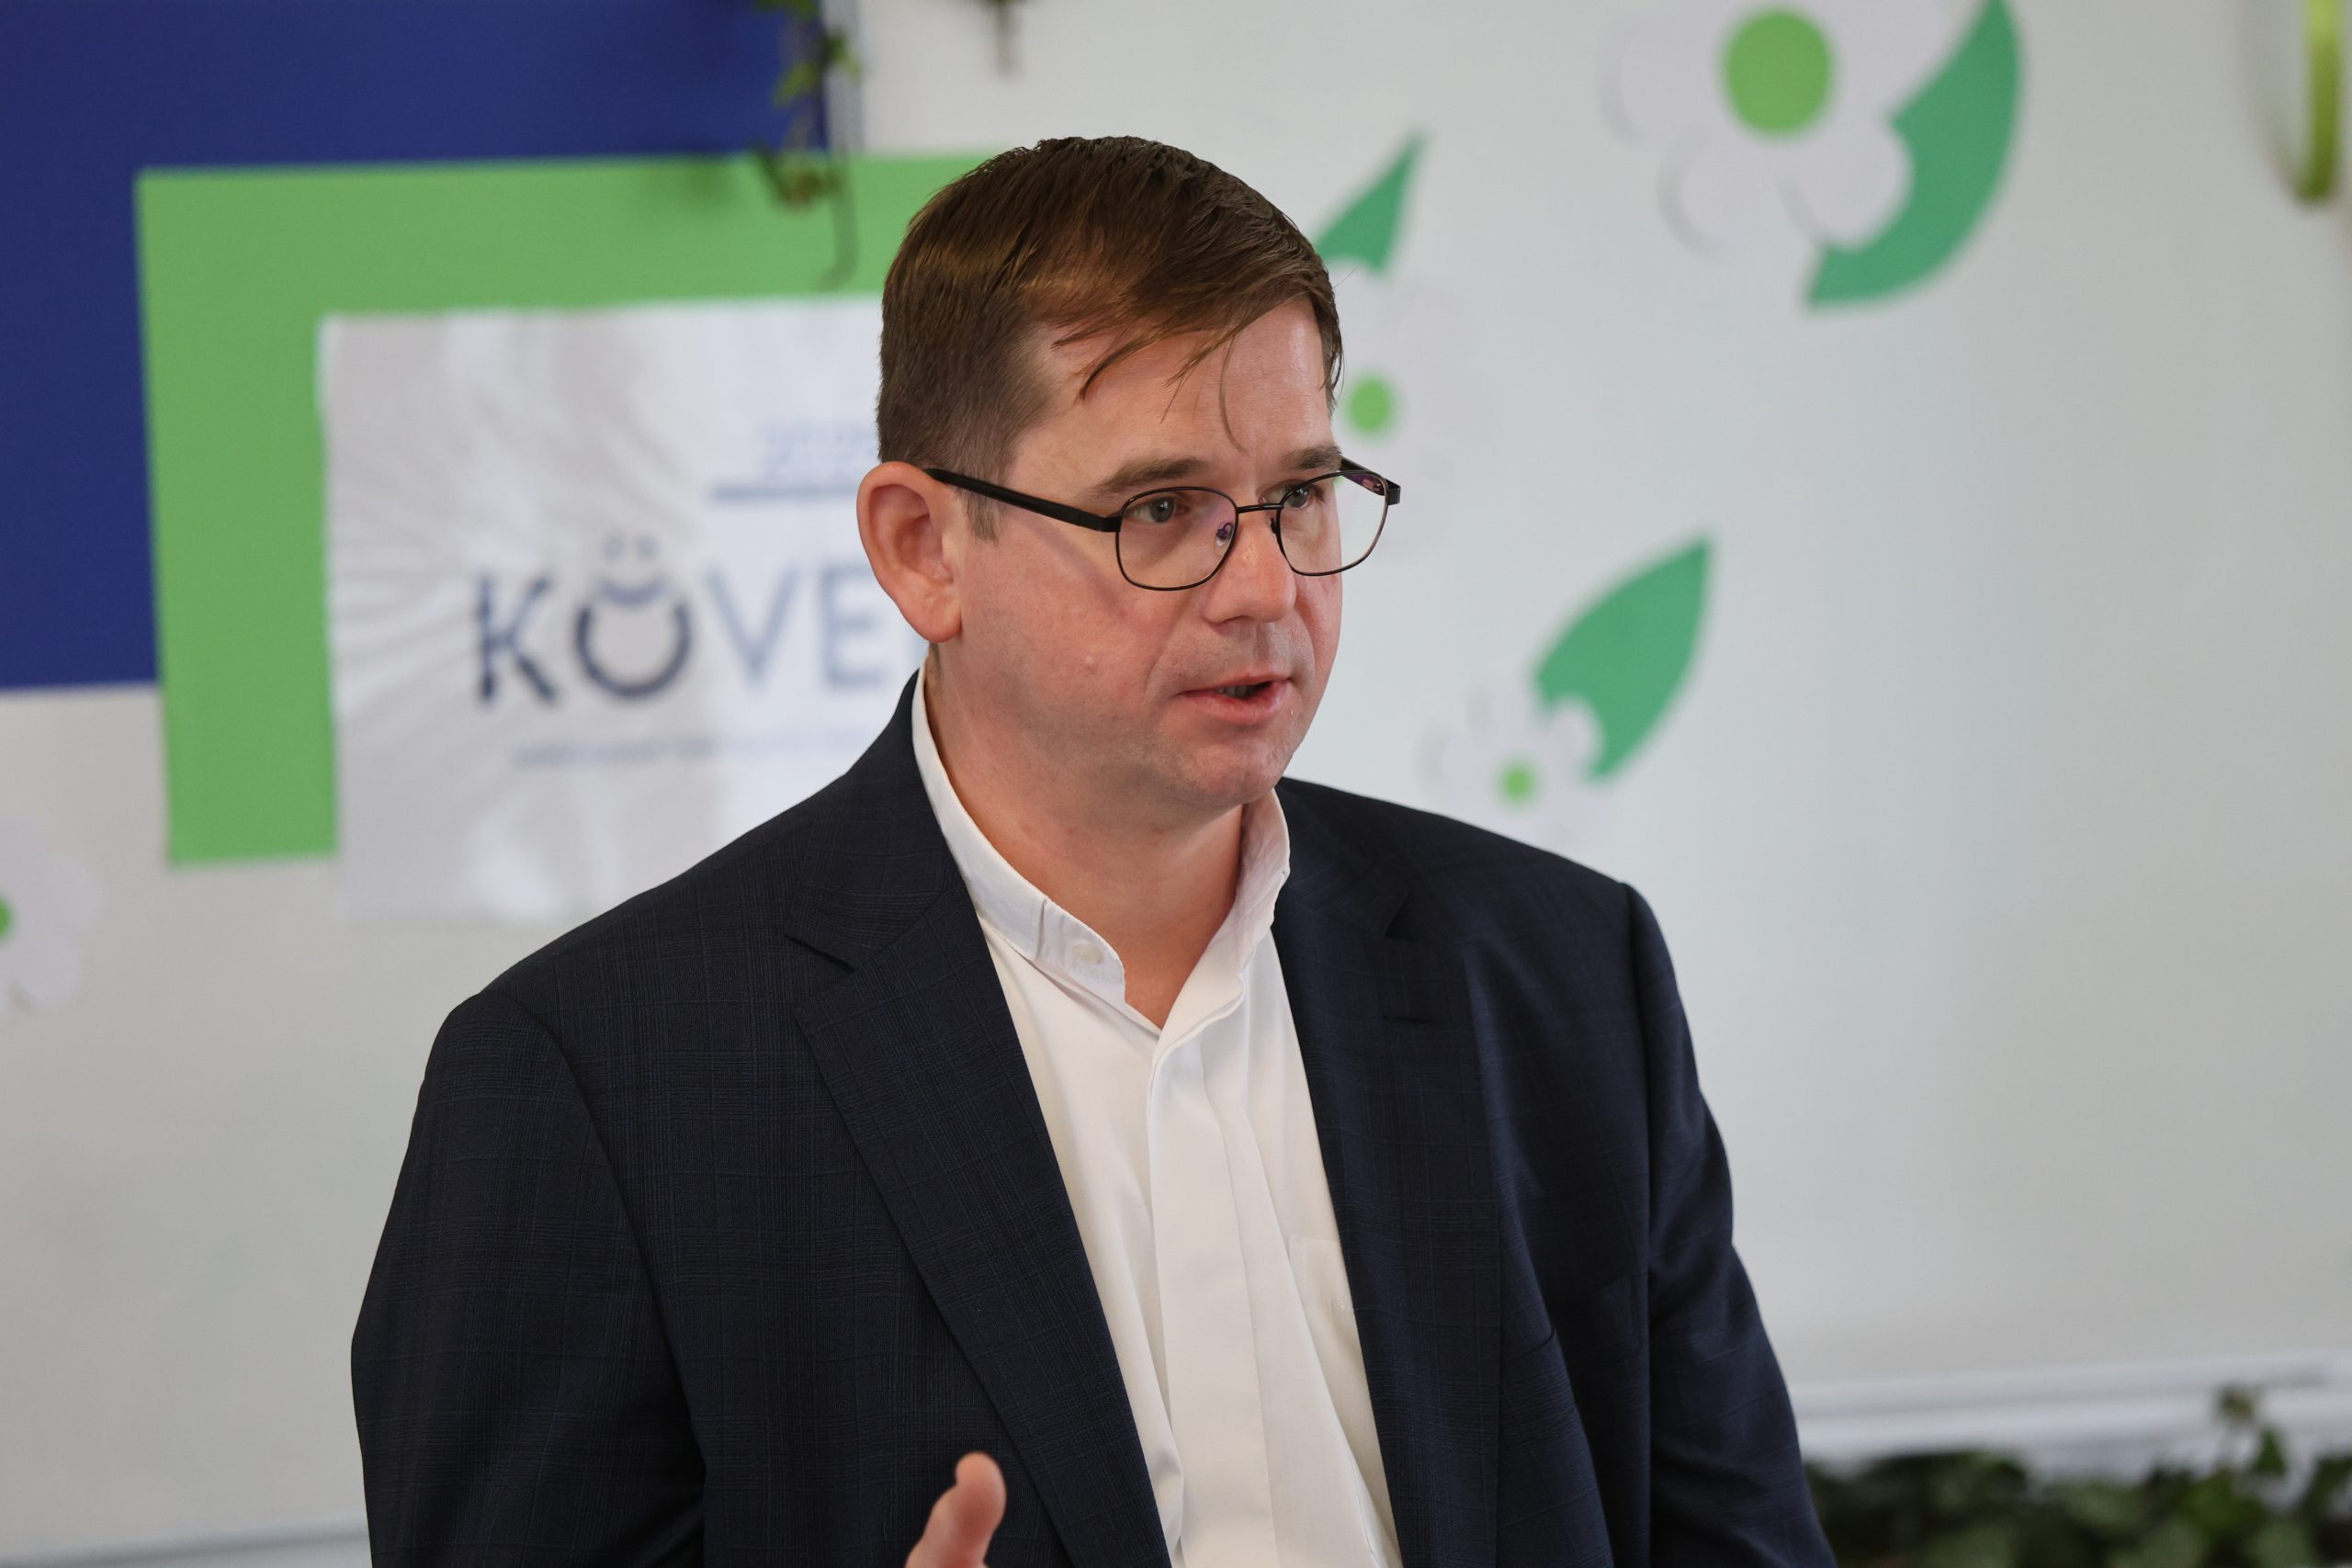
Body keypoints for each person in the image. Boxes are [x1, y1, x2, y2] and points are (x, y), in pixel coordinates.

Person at [352, 134, 1831, 1568]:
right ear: (924, 547)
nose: (1266, 587)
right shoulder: (597, 1080)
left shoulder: (1563, 977)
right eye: (1162, 509)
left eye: (1301, 495)